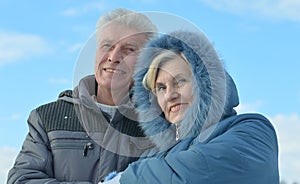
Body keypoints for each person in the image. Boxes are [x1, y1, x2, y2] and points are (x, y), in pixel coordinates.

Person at [103, 30, 280, 183]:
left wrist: (126, 179)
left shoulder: (252, 130)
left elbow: (201, 172)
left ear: (205, 84)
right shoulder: (154, 156)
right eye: (161, 88)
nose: (170, 95)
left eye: (180, 81)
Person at [7, 8, 158, 183]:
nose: (114, 57)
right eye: (107, 46)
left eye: (129, 49)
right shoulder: (48, 118)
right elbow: (22, 179)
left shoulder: (158, 122)